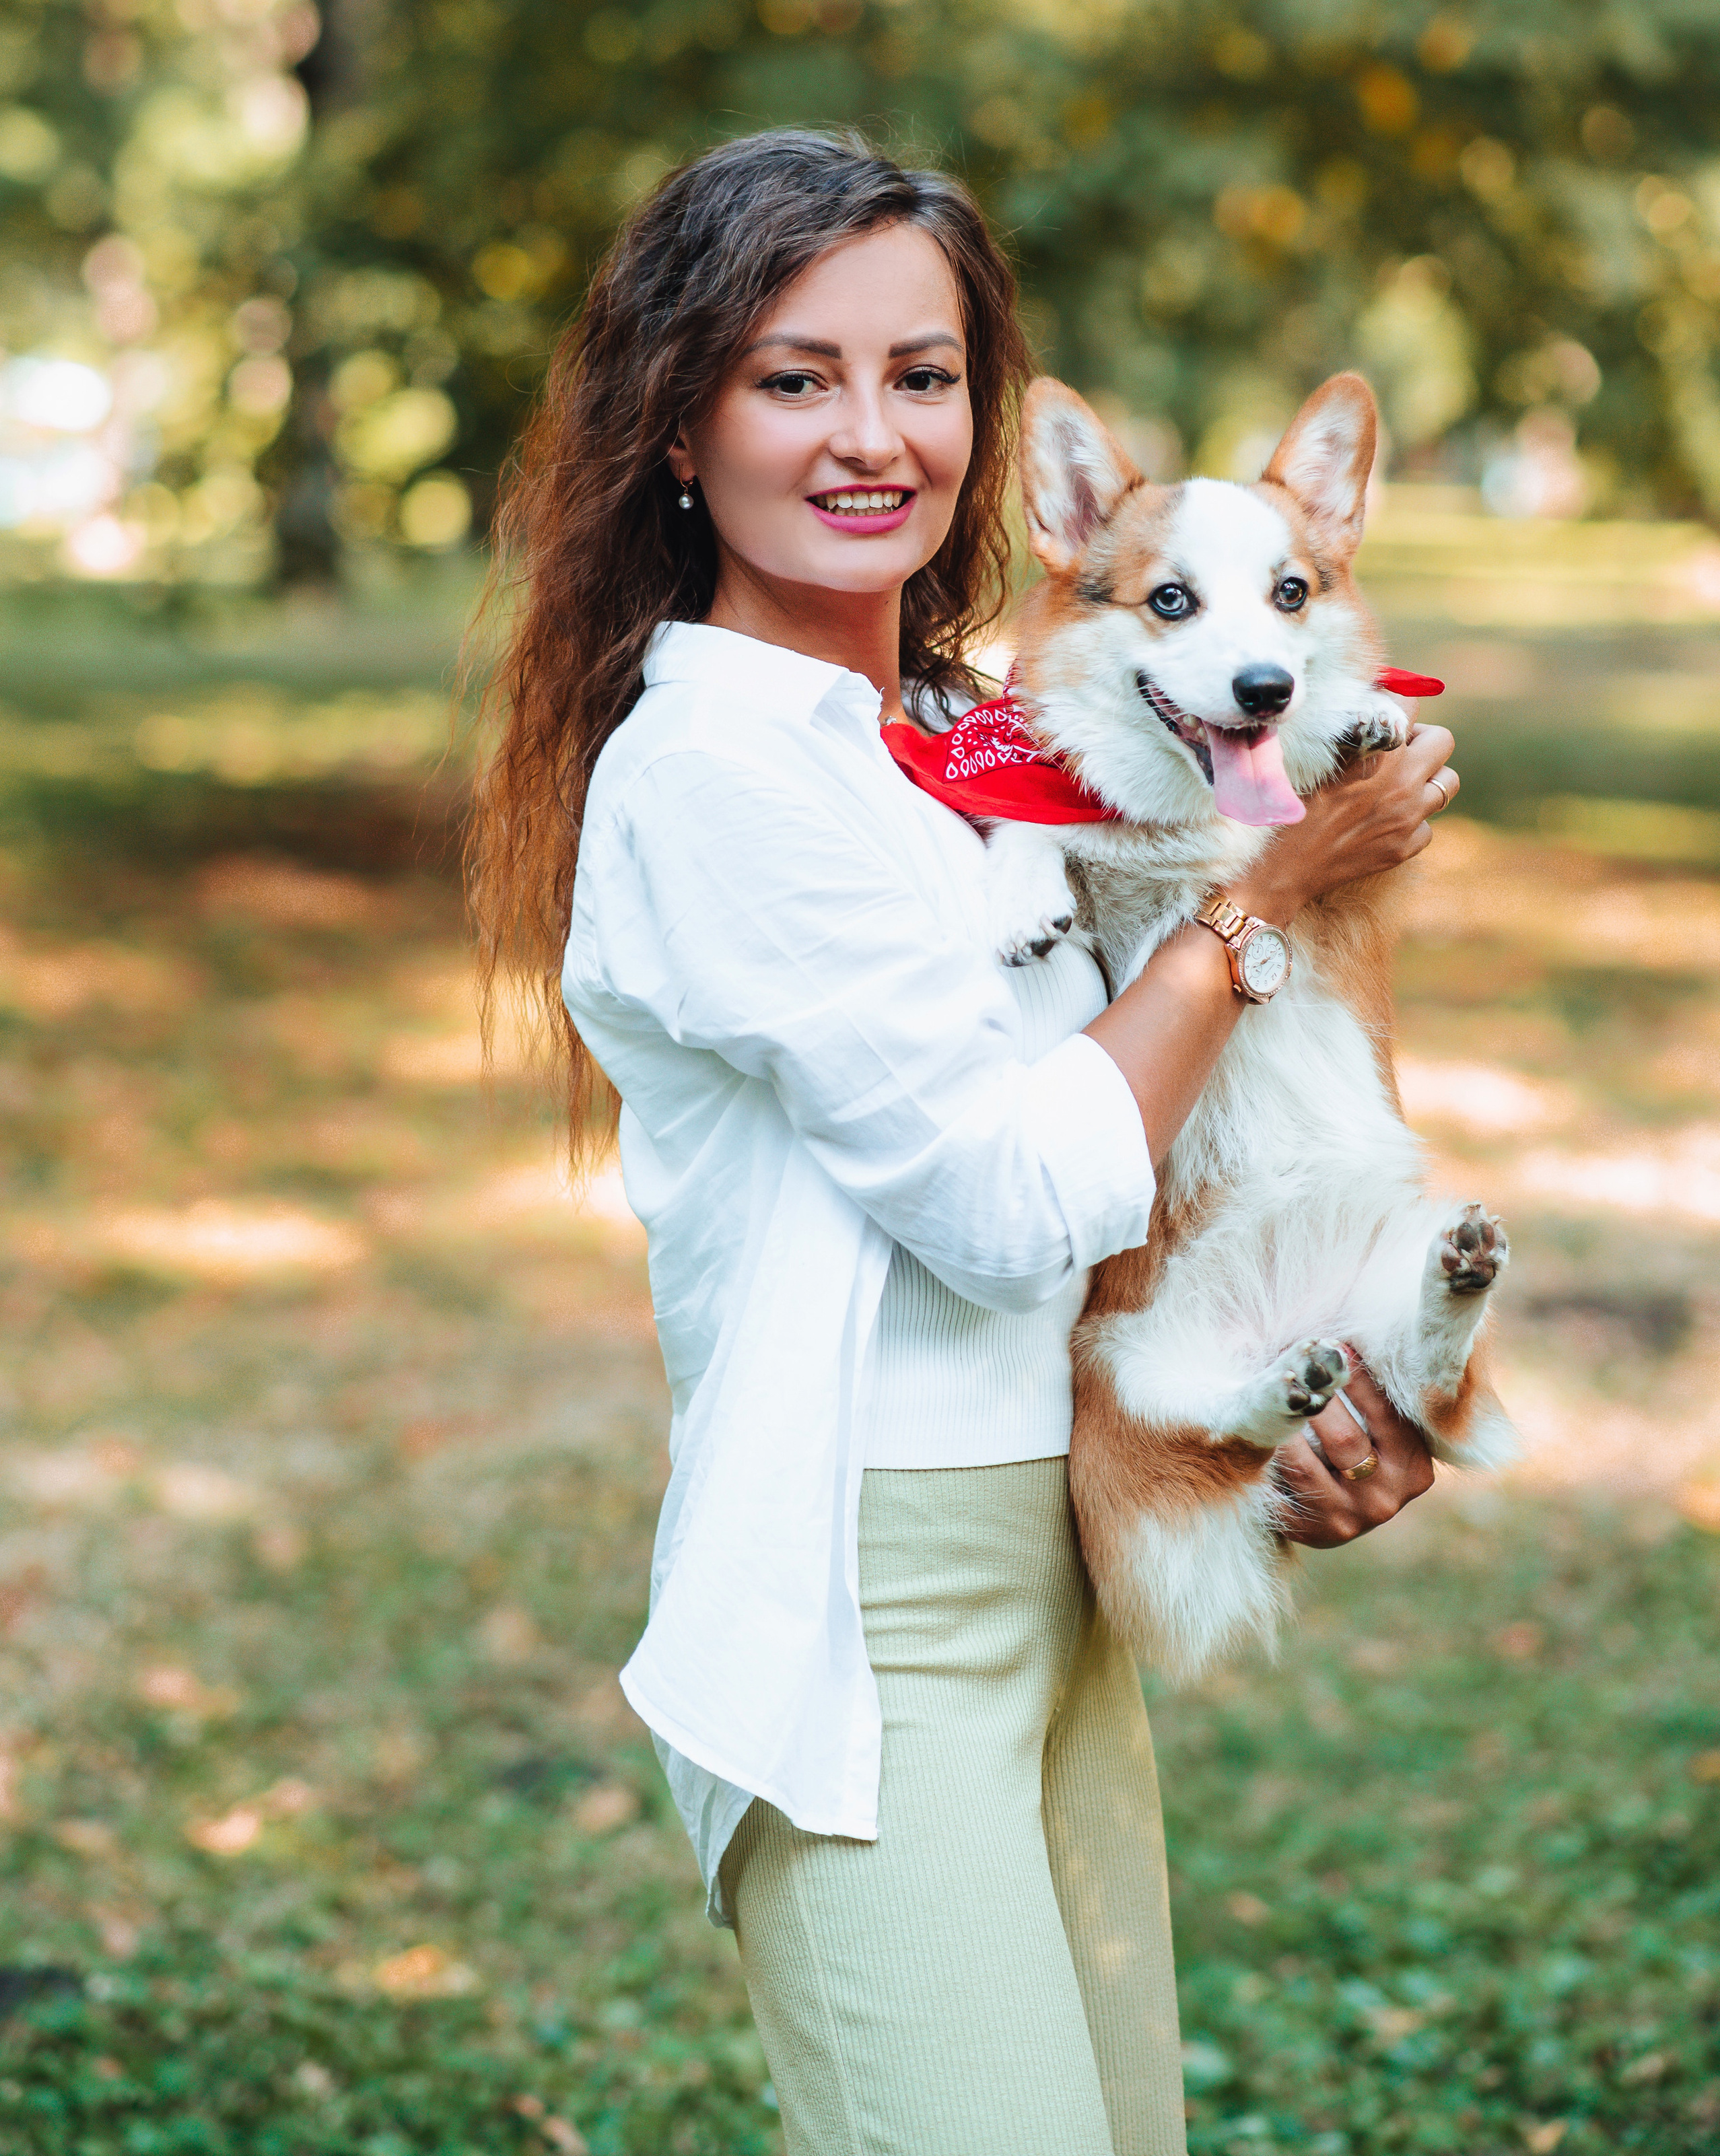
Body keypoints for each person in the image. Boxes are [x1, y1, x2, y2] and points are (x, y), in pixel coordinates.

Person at [466, 131, 1459, 2156]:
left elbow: (1161, 1176)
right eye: (792, 374)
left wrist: (1293, 1433)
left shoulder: (980, 749)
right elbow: (1012, 1205)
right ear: (678, 419)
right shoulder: (721, 776)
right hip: (869, 1616)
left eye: (922, 376)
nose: (870, 435)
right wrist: (1265, 900)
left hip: (1066, 1573)